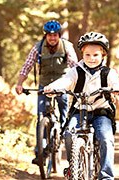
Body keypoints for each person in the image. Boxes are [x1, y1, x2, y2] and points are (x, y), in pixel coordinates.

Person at [44, 32, 119, 179]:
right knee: (69, 134)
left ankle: (106, 176)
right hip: (79, 110)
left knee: (105, 138)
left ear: (103, 55)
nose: (91, 59)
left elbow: (116, 82)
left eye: (95, 55)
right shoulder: (76, 70)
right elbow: (65, 80)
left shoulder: (107, 73)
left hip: (101, 111)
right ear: (82, 53)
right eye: (87, 55)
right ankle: (74, 165)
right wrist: (52, 87)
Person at [15, 20, 78, 165]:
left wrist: (78, 84)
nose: (52, 38)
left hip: (61, 84)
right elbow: (27, 66)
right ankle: (40, 152)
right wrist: (19, 83)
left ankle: (63, 137)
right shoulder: (38, 47)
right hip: (44, 85)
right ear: (45, 36)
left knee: (64, 114)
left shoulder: (67, 46)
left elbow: (74, 66)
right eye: (49, 35)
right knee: (41, 116)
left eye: (55, 35)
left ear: (59, 35)